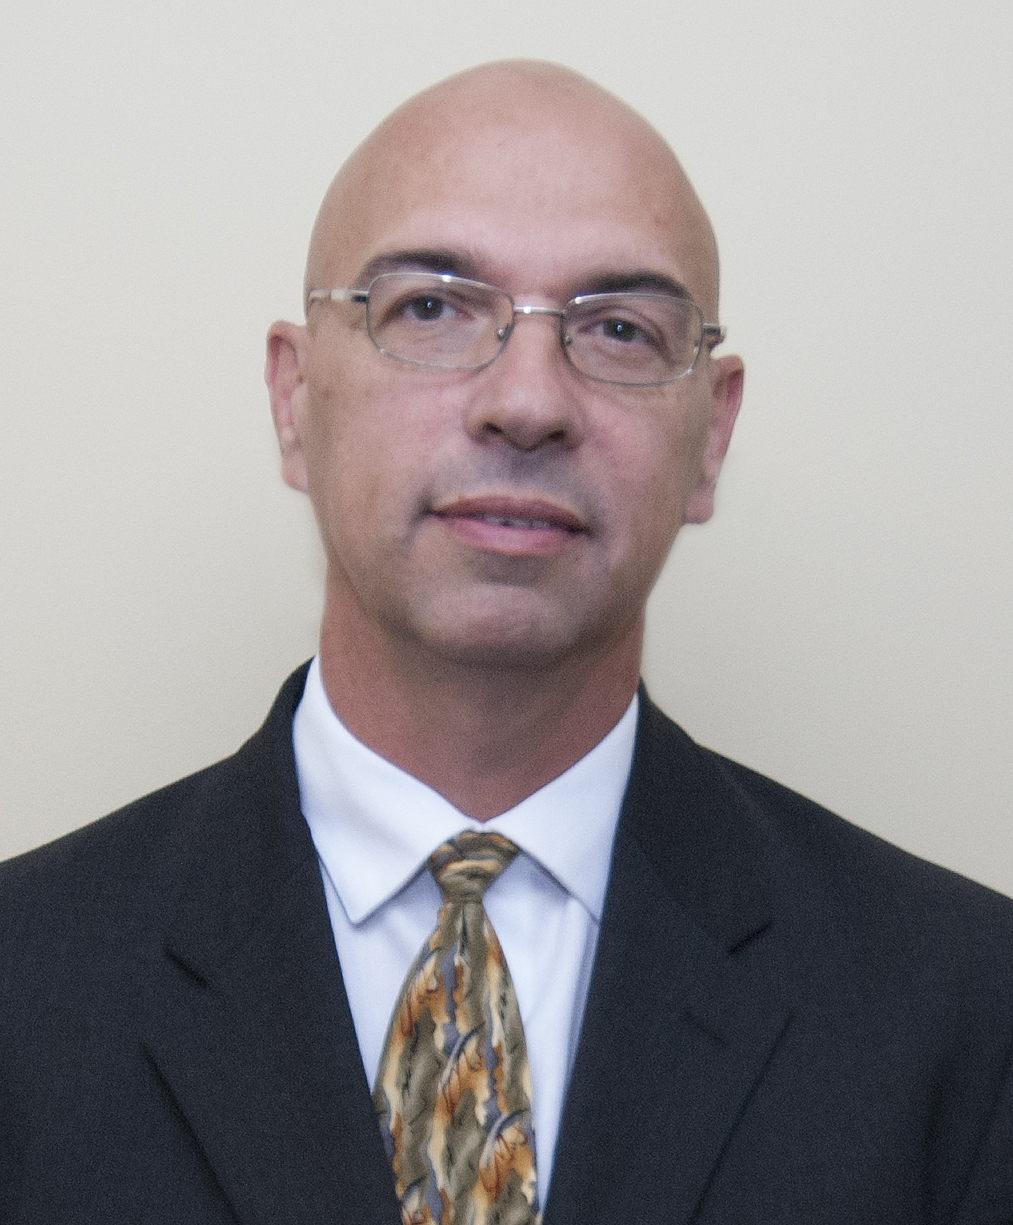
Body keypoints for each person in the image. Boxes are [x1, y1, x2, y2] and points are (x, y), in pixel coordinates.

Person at [1, 59, 1011, 1225]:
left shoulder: (964, 1014)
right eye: (430, 308)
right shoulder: (24, 990)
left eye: (619, 328)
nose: (526, 401)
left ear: (709, 437)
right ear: (293, 399)